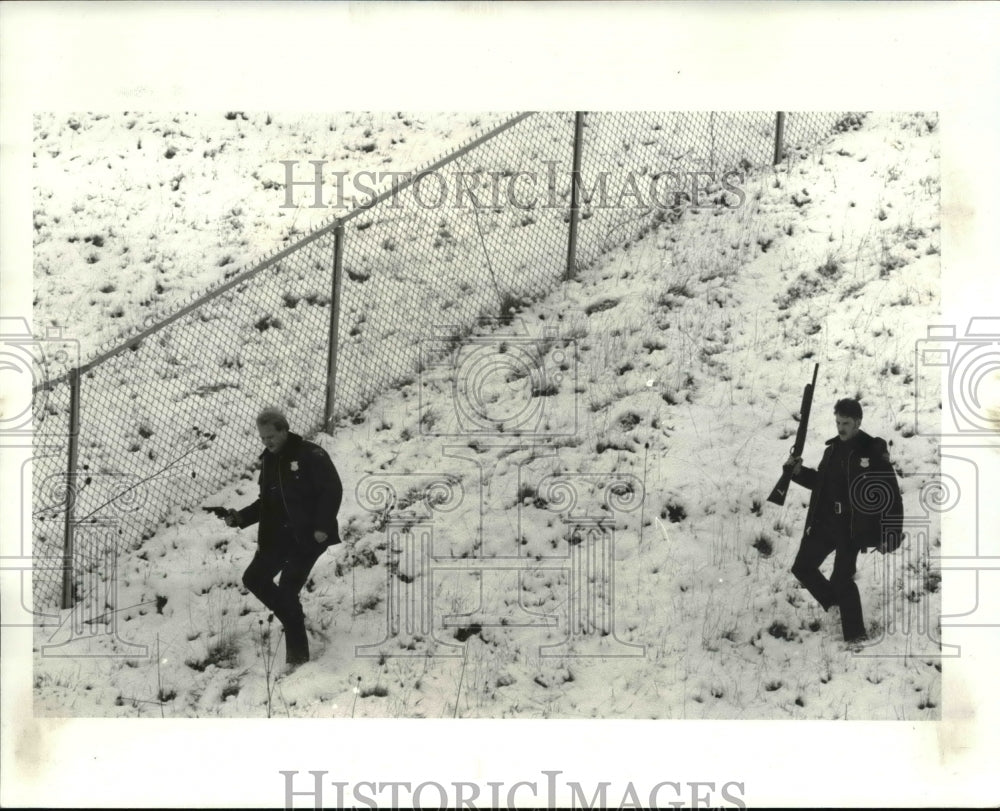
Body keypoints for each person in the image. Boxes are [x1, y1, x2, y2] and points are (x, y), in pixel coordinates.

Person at [225, 408, 343, 669]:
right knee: (254, 578)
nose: (267, 442)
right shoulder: (269, 460)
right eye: (262, 438)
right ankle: (294, 618)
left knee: (288, 591)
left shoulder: (310, 454)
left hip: (309, 536)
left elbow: (332, 489)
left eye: (271, 436)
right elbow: (265, 503)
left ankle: (298, 659)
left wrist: (323, 525)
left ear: (284, 429)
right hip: (279, 536)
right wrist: (240, 518)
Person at [785, 398, 903, 648]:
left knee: (842, 579)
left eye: (846, 423)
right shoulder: (832, 450)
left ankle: (856, 635)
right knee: (802, 567)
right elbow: (821, 484)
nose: (840, 428)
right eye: (838, 422)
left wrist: (890, 535)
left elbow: (891, 495)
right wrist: (798, 473)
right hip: (827, 522)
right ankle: (835, 605)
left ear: (858, 422)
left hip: (853, 527)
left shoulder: (871, 451)